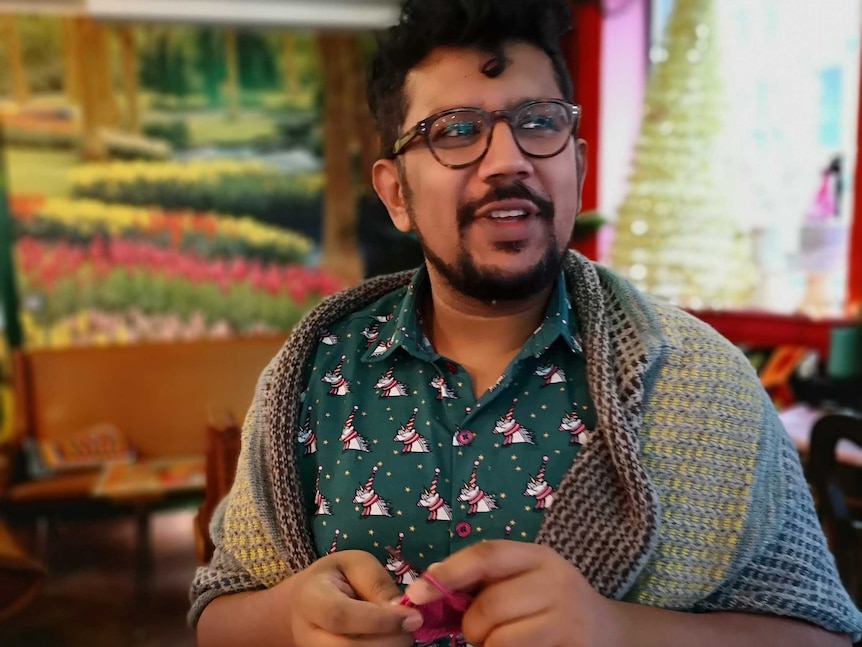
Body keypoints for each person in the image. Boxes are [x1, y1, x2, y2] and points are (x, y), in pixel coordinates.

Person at [190, 1, 862, 645]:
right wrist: (289, 619)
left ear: (577, 162)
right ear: (397, 194)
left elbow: (822, 631)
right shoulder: (313, 373)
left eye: (538, 122)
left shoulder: (701, 381)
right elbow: (215, 611)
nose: (508, 159)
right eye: (455, 130)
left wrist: (616, 632)